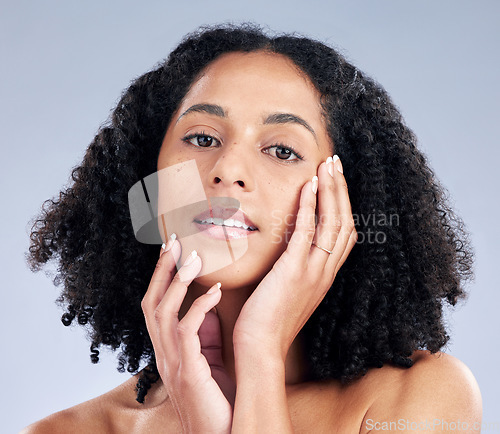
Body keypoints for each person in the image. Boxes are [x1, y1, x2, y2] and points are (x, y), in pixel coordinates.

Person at [22, 23, 482, 433]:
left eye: (282, 150)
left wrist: (259, 352)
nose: (227, 169)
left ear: (342, 196)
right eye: (202, 138)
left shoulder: (419, 399)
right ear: (149, 179)